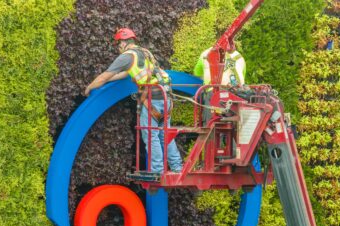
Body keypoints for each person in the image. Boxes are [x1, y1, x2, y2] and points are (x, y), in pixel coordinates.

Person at [84, 28, 182, 174]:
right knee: (165, 134)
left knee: (151, 134)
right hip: (166, 96)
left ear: (123, 42)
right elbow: (124, 74)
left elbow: (104, 76)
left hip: (152, 99)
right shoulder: (145, 52)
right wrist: (107, 80)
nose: (118, 48)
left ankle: (157, 171)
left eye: (118, 44)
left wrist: (90, 87)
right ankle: (177, 168)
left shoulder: (126, 56)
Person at [193, 47, 246, 124]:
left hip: (213, 91)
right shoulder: (239, 56)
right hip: (236, 92)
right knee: (235, 120)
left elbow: (197, 73)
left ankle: (210, 131)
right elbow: (242, 76)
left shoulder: (206, 53)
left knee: (210, 121)